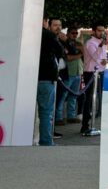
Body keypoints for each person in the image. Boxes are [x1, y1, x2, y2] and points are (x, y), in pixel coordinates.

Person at [37, 17, 63, 146]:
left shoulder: (29, 32)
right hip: (46, 78)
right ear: (45, 21)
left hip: (29, 78)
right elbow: (61, 51)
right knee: (46, 112)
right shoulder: (49, 35)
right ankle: (46, 141)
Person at [81, 23, 108, 135]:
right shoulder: (90, 43)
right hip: (90, 73)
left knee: (98, 98)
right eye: (99, 30)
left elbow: (103, 58)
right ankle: (85, 126)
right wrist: (101, 46)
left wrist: (105, 60)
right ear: (93, 31)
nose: (101, 33)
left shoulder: (102, 43)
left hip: (100, 72)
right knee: (89, 100)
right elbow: (96, 57)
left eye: (103, 30)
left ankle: (94, 123)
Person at [55, 25, 83, 125]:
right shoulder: (63, 43)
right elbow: (68, 57)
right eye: (72, 33)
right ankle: (58, 118)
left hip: (78, 73)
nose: (75, 35)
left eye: (76, 33)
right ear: (67, 34)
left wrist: (78, 52)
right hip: (68, 73)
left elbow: (84, 51)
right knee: (62, 96)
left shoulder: (79, 43)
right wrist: (79, 54)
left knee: (74, 96)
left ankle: (71, 116)